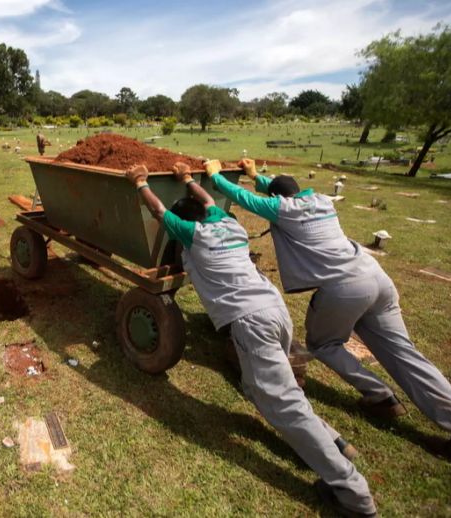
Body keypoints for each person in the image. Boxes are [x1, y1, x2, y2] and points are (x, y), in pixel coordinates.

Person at [206, 158, 451, 460]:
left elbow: (246, 199)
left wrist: (216, 177)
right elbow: (279, 190)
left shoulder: (283, 209)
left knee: (323, 344)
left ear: (279, 199)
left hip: (345, 288)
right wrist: (256, 175)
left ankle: (379, 395)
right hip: (376, 278)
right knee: (406, 355)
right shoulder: (321, 200)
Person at [125, 163, 378, 517]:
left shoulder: (194, 235)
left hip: (251, 321)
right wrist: (186, 180)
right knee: (275, 390)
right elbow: (208, 201)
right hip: (275, 310)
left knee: (281, 403)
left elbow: (157, 209)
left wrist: (139, 182)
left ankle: (353, 494)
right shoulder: (231, 225)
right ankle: (335, 441)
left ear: (190, 225)